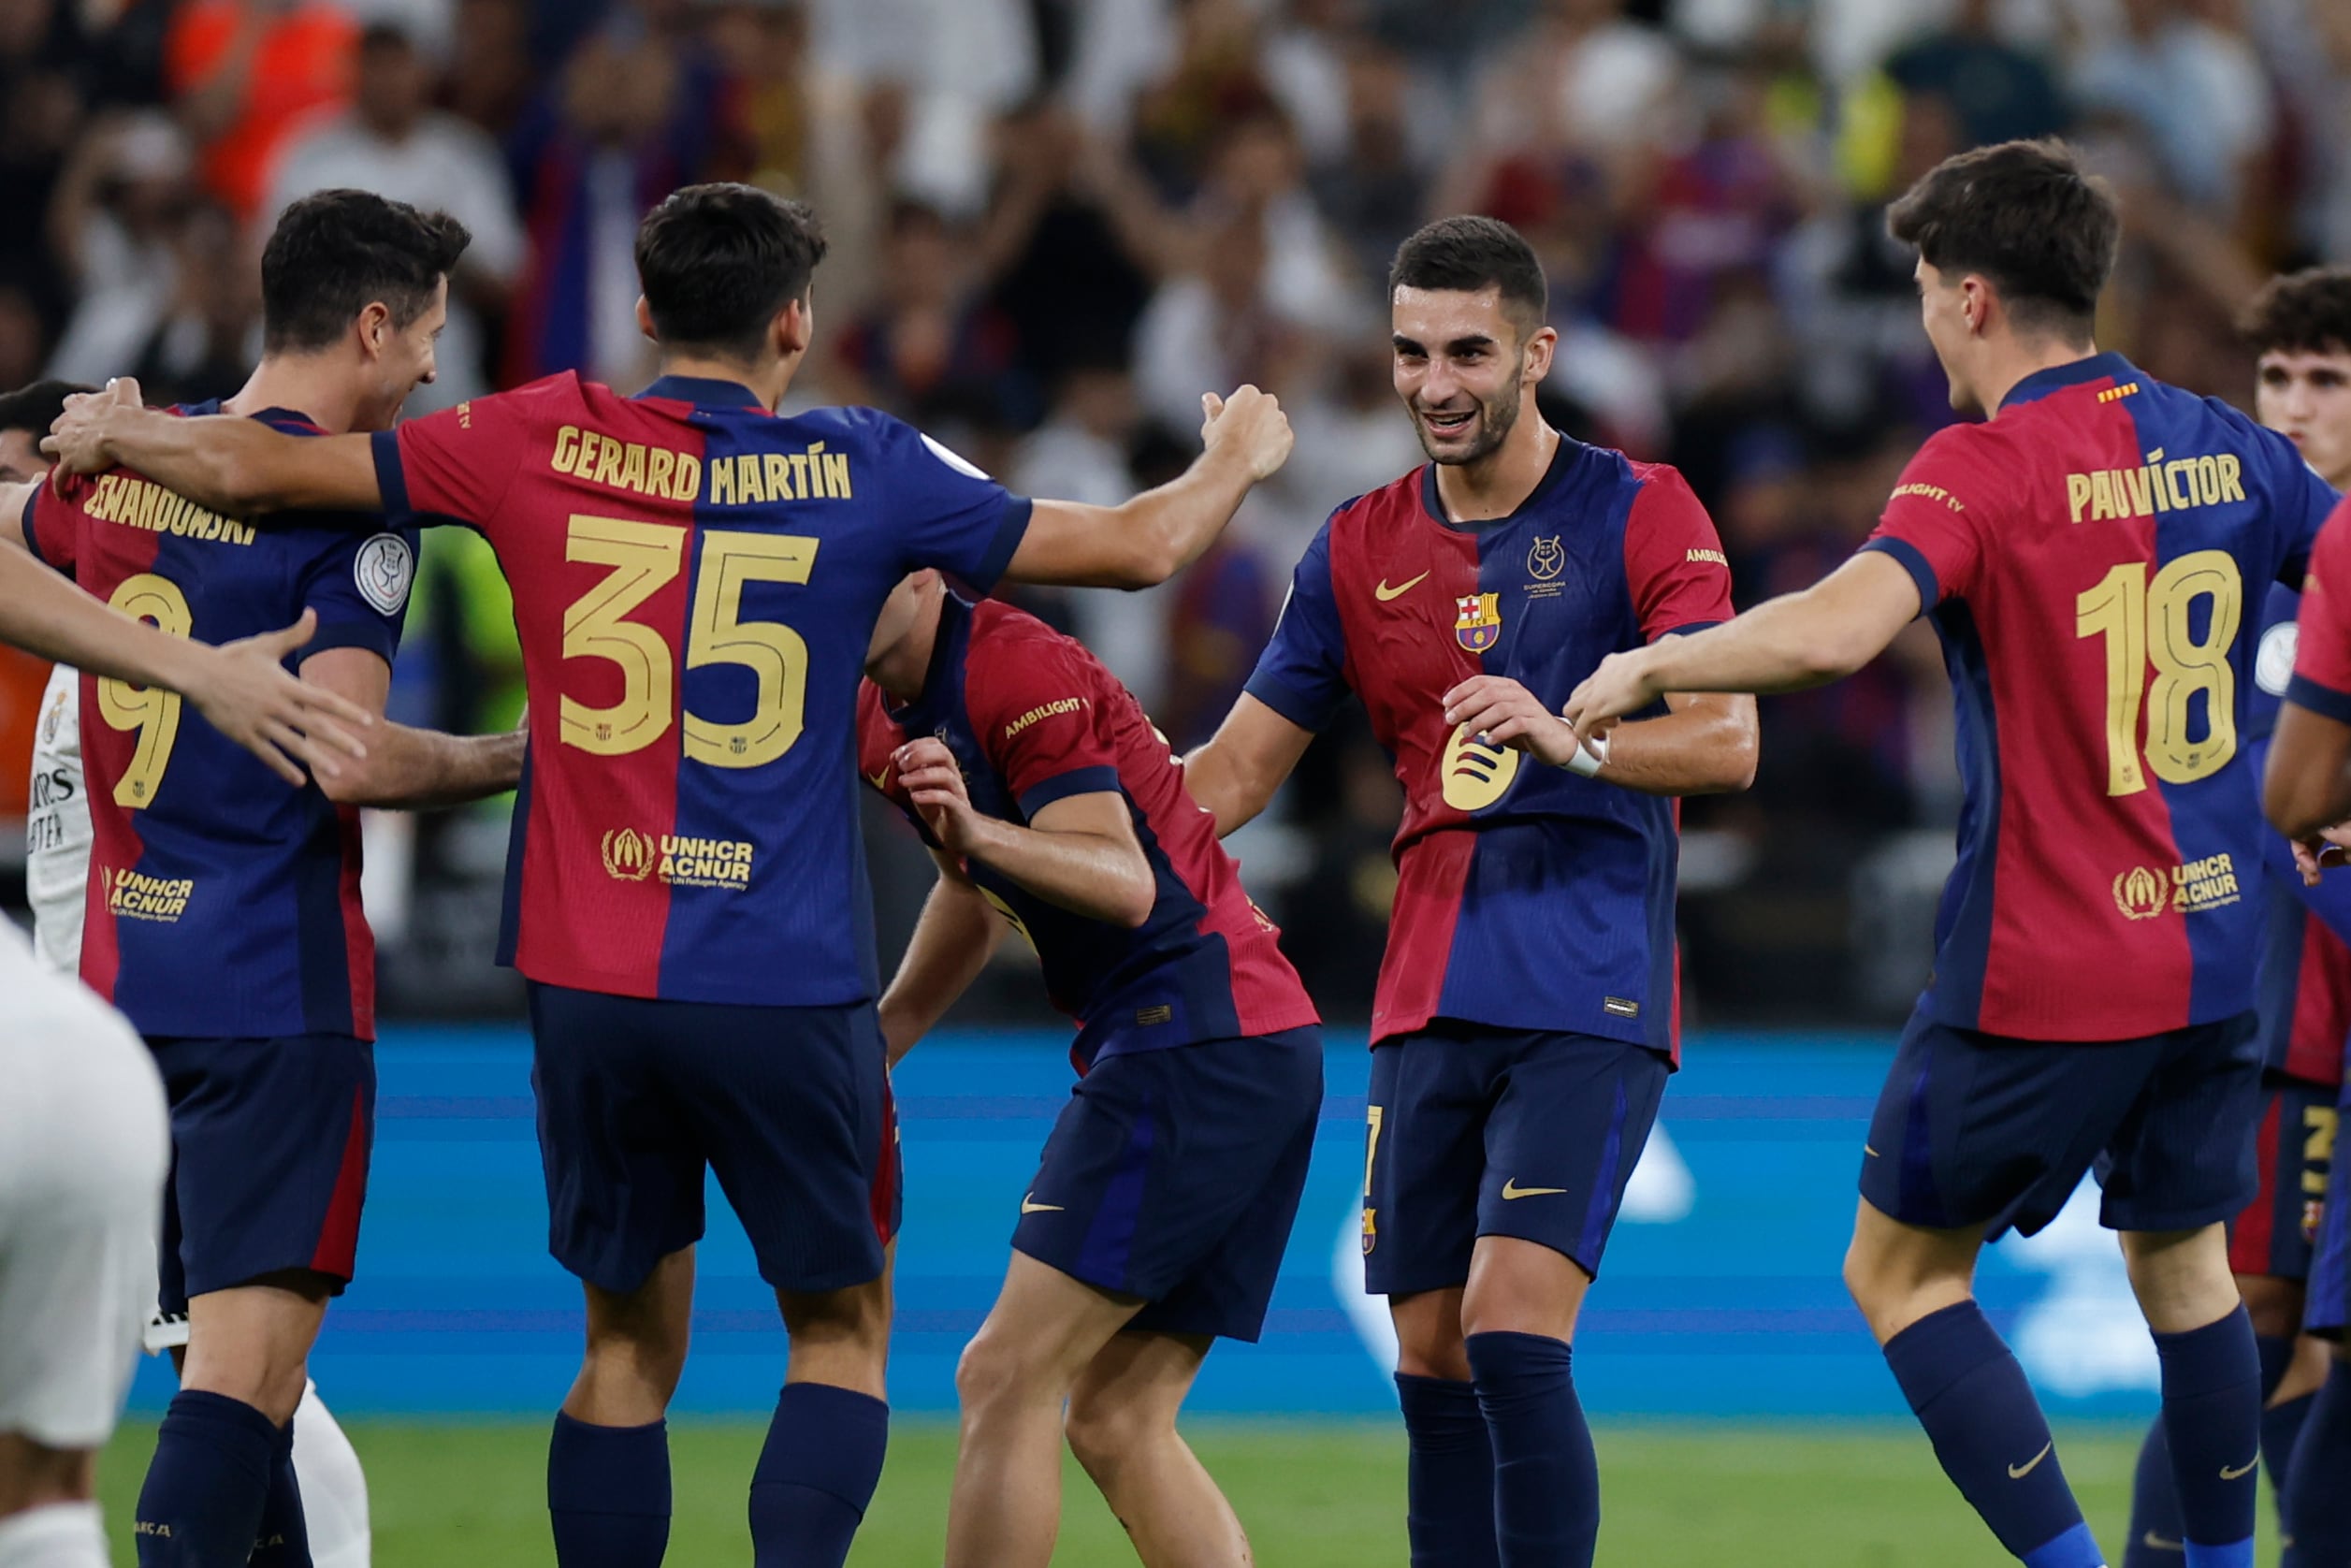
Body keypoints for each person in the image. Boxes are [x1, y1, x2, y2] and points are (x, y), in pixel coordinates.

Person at [44, 181, 1293, 1568]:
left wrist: (122, 431)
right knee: (839, 1334)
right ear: (795, 322)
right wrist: (1234, 452)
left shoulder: (534, 435)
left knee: (624, 1351)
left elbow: (260, 467)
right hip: (784, 972)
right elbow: (1138, 548)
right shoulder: (863, 465)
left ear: (644, 313)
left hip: (586, 976)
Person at [1566, 138, 2343, 1568]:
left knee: (1900, 1271)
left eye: (1927, 288)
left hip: (2046, 968)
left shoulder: (1979, 467)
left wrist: (1648, 664)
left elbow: (1832, 630)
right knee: (2184, 1275)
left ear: (1972, 299)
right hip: (2216, 950)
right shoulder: (2225, 440)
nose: (1924, 317)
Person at [1183, 213, 1757, 1568]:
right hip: (1425, 988)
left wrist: (1575, 737)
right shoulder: (1354, 546)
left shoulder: (1638, 509)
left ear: (1536, 352)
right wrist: (1049, 796)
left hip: (1588, 976)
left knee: (1509, 1327)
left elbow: (1729, 738)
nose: (1434, 382)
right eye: (1408, 352)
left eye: (1467, 351)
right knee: (1429, 1357)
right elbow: (1229, 780)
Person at [15, 189, 528, 1567]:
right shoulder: (354, 510)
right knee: (239, 1392)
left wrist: (77, 445)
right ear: (371, 326)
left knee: (248, 1386)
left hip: (128, 985)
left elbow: (28, 529)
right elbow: (348, 758)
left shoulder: (124, 464)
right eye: (424, 335)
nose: (432, 367)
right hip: (272, 992)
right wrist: (520, 756)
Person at [857, 569, 1323, 1567]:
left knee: (1003, 1374)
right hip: (1242, 1037)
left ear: (921, 569)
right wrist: (882, 1037)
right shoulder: (879, 706)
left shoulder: (1014, 666)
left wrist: (979, 830)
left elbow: (1120, 880)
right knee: (1116, 1415)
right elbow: (967, 884)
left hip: (1193, 1036)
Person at [0, 380, 377, 1568]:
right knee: (227, 1385)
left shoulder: (89, 648)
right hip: (135, 1028)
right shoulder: (113, 635)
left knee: (210, 1386)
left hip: (105, 1020)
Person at [2125, 266, 2351, 1568]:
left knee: (2319, 1335)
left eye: (2325, 380)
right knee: (2249, 1306)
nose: (2293, 404)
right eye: (2276, 378)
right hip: (2263, 1001)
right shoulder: (2230, 573)